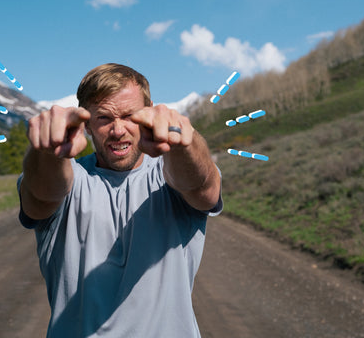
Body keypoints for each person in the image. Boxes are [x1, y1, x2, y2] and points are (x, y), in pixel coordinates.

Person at [18, 63, 223, 337]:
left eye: (129, 115)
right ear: (87, 124)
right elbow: (42, 195)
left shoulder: (171, 173)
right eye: (103, 118)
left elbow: (202, 186)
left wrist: (182, 142)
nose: (118, 130)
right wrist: (48, 151)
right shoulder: (70, 178)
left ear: (149, 112)